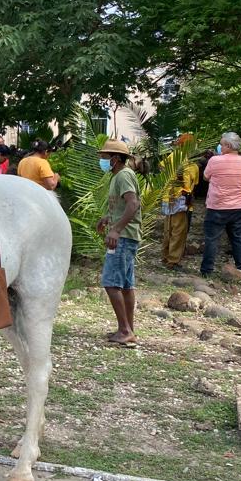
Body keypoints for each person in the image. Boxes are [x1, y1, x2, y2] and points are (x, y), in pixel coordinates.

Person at [96, 140, 141, 347]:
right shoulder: (119, 176)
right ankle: (127, 328)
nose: (102, 160)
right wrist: (109, 218)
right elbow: (125, 206)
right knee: (125, 285)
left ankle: (125, 330)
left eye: (105, 157)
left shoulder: (123, 176)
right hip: (127, 235)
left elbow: (133, 204)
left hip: (124, 237)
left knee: (111, 282)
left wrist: (116, 229)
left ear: (114, 158)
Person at [199, 132, 241, 277]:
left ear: (228, 145)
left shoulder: (215, 161)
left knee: (211, 240)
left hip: (217, 206)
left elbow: (205, 177)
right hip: (239, 207)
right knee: (238, 239)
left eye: (221, 144)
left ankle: (207, 270)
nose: (220, 147)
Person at [160, 134, 199, 270]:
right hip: (180, 198)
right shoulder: (189, 162)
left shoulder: (174, 156)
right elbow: (192, 184)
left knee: (169, 229)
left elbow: (162, 168)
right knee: (178, 230)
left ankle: (166, 256)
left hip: (169, 197)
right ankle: (173, 260)